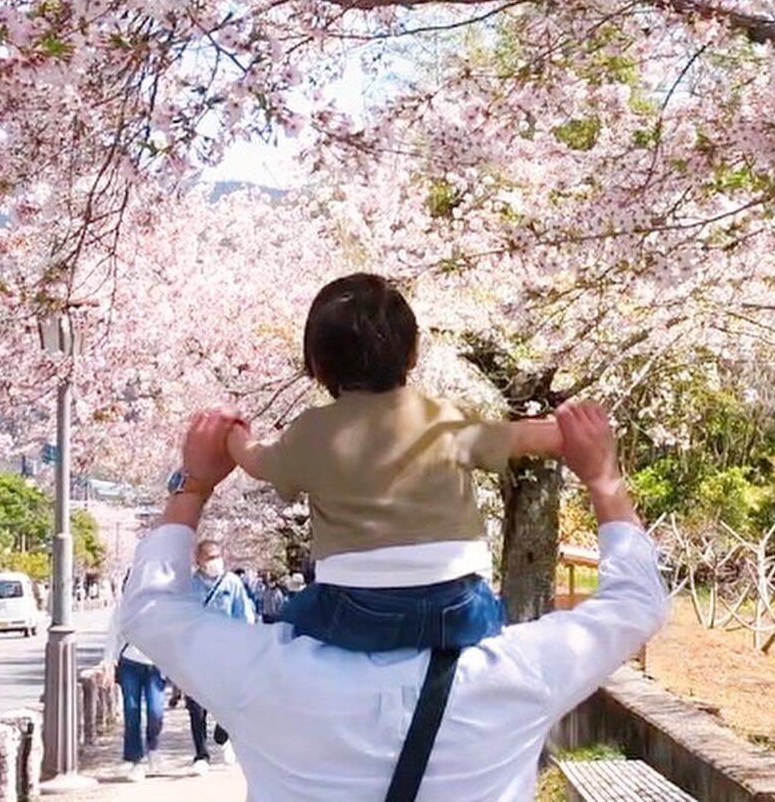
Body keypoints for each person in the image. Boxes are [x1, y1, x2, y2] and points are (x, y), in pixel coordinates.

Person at [120, 399, 666, 801]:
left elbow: (149, 609)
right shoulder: (517, 675)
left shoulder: (264, 675)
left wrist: (192, 486)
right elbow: (635, 603)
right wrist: (603, 479)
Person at [227, 273, 565, 654]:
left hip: (355, 609)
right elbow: (522, 437)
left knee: (292, 623)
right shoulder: (446, 418)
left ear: (317, 362)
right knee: (490, 612)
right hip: (459, 605)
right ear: (413, 352)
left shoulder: (310, 432)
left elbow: (257, 462)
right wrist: (569, 431)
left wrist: (234, 435)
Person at [184, 538, 255, 773]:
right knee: (196, 706)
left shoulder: (231, 583)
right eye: (210, 557)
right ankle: (201, 755)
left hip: (227, 654)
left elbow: (243, 617)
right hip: (197, 656)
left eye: (217, 556)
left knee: (229, 701)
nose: (215, 561)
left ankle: (223, 734)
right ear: (198, 561)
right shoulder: (188, 587)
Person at [110, 611, 167, 782]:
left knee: (155, 711)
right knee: (131, 710)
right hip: (129, 662)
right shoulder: (125, 602)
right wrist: (108, 661)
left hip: (155, 665)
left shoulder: (160, 600)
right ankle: (136, 760)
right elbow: (113, 631)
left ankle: (153, 746)